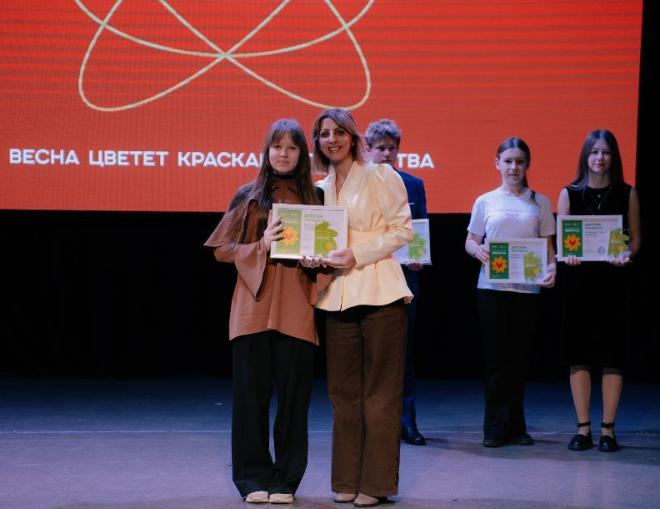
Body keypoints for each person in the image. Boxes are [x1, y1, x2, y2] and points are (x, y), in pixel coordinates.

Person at [204, 119, 329, 504]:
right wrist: (261, 245)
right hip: (252, 308)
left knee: (294, 402)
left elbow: (330, 250)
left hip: (296, 308)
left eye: (292, 147)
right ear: (266, 151)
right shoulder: (249, 195)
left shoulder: (318, 197)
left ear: (302, 153)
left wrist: (317, 259)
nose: (283, 154)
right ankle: (251, 477)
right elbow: (221, 249)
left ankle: (285, 480)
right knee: (250, 400)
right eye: (277, 146)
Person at [312, 108, 414, 507]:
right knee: (342, 394)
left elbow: (402, 230)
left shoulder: (381, 175)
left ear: (353, 138)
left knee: (381, 394)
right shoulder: (319, 188)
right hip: (337, 297)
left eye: (339, 132)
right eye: (324, 134)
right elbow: (317, 241)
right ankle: (346, 479)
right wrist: (310, 256)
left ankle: (376, 483)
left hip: (380, 292)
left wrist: (357, 253)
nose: (332, 139)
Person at [465, 136, 556, 448]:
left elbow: (547, 246)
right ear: (497, 164)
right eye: (508, 161)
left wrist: (552, 268)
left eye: (519, 162)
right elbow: (471, 240)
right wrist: (477, 250)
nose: (514, 167)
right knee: (495, 361)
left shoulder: (540, 202)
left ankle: (517, 427)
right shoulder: (485, 201)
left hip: (527, 291)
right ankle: (494, 428)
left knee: (519, 360)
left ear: (527, 165)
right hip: (491, 289)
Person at [557, 129, 641, 453]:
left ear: (613, 157)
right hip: (578, 282)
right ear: (585, 156)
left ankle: (608, 429)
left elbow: (635, 240)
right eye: (594, 152)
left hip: (613, 283)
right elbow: (563, 243)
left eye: (605, 152)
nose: (599, 158)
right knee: (578, 356)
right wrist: (568, 254)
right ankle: (583, 428)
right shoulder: (569, 193)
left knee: (612, 357)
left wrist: (627, 254)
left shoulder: (627, 193)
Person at [365, 118, 428, 446]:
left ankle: (407, 422)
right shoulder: (357, 184)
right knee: (371, 354)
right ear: (368, 150)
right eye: (381, 148)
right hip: (368, 276)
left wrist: (420, 257)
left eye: (392, 148)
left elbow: (420, 229)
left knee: (404, 352)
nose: (387, 154)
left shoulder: (414, 184)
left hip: (404, 278)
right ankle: (373, 423)